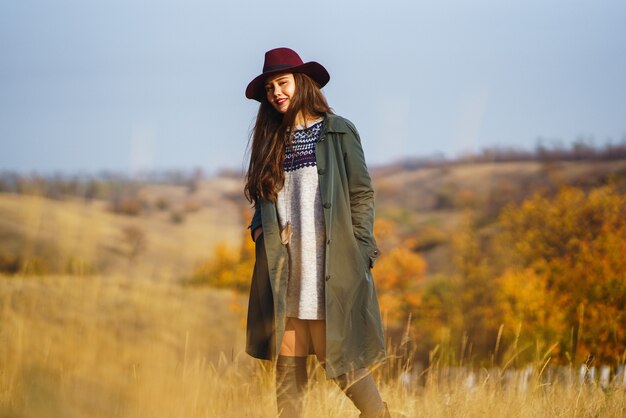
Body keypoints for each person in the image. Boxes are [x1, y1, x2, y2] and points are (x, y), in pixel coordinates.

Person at [244, 47, 391, 418]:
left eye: (282, 83)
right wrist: (261, 235)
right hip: (285, 267)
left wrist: (361, 252)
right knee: (286, 362)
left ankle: (379, 415)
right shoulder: (270, 140)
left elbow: (361, 193)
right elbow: (260, 199)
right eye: (270, 88)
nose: (276, 92)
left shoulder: (338, 130)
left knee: (336, 357)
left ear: (301, 83)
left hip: (328, 263)